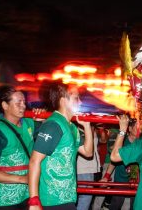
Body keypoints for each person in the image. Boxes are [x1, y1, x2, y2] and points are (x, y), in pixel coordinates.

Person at [28, 81, 93, 210]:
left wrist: (87, 127)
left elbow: (88, 152)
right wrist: (34, 200)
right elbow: (34, 161)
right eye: (76, 98)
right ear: (63, 100)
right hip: (52, 199)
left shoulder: (72, 127)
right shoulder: (53, 125)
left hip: (67, 196)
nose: (80, 102)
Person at [0, 86, 37, 209]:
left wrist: (42, 115)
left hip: (28, 195)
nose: (23, 106)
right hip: (3, 200)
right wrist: (22, 179)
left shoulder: (29, 123)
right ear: (5, 105)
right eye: (18, 103)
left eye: (24, 102)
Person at [103, 118, 139, 210]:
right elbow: (113, 160)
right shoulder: (122, 142)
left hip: (136, 181)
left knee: (135, 205)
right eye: (137, 127)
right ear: (130, 128)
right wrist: (106, 176)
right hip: (121, 180)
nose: (139, 129)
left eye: (140, 127)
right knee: (116, 203)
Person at [76, 125, 101, 210]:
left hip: (90, 168)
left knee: (85, 197)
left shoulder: (91, 130)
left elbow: (103, 140)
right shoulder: (79, 131)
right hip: (83, 169)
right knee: (85, 197)